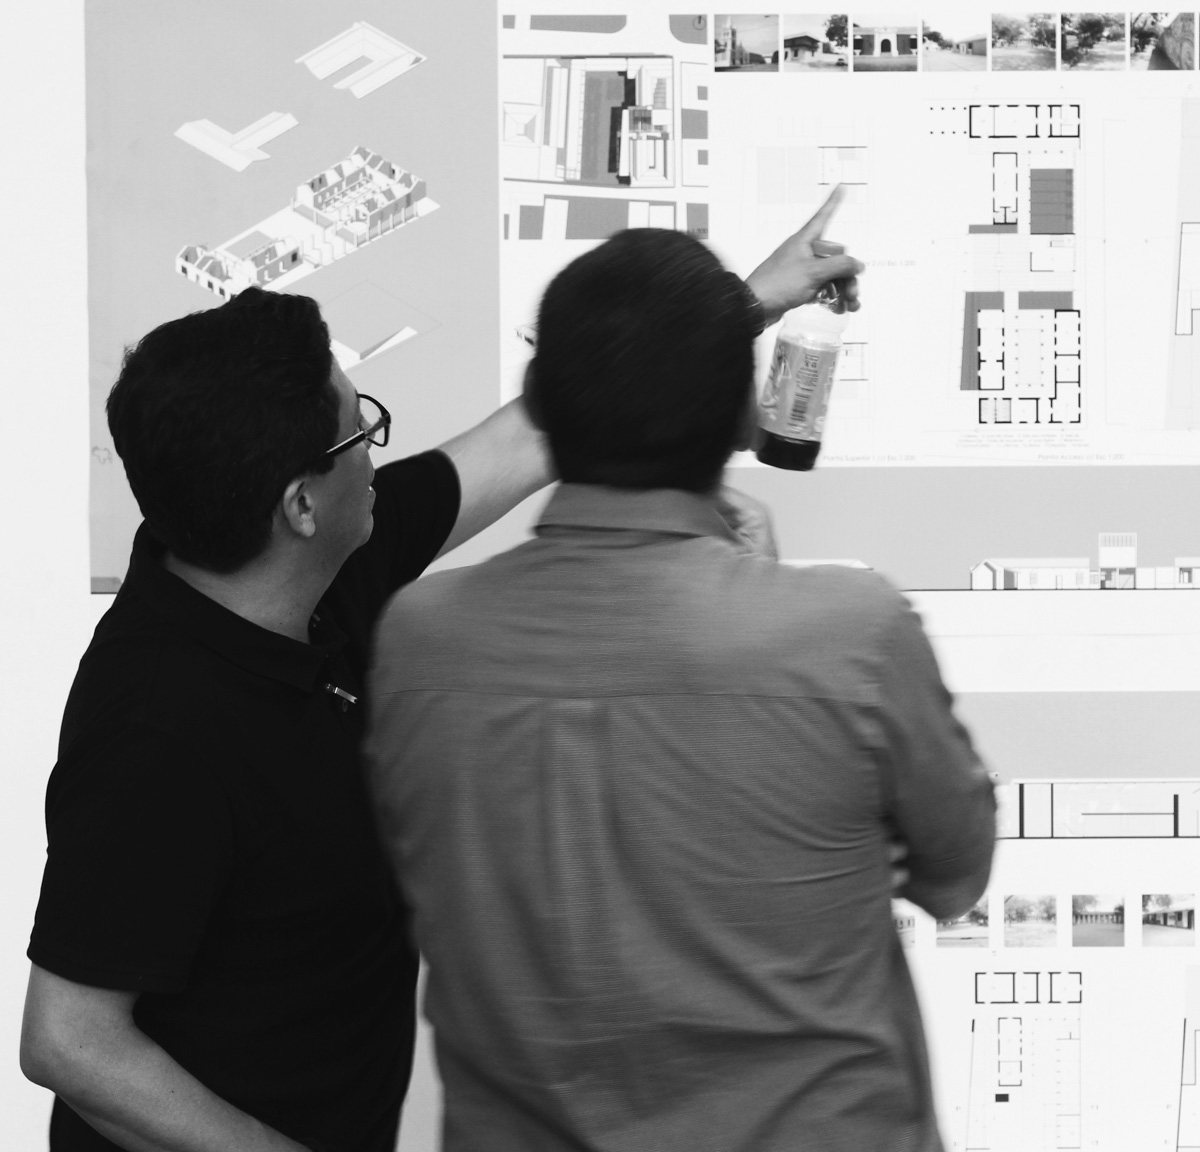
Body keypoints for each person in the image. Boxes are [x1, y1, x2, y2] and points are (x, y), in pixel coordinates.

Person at [20, 210, 837, 1152]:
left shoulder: (311, 570)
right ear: (299, 504)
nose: (375, 448)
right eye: (358, 432)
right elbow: (69, 1040)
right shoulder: (158, 729)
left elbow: (537, 431)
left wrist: (742, 307)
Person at [363, 197, 996, 1152]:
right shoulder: (853, 635)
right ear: (748, 416)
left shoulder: (419, 642)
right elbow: (955, 877)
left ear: (539, 398)